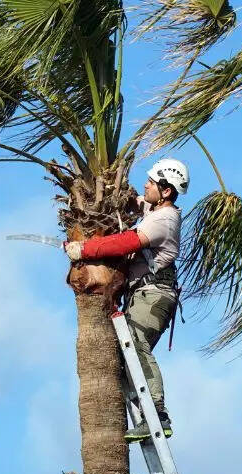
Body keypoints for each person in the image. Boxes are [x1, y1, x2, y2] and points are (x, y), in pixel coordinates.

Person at [63, 158, 189, 441]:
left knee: (137, 345)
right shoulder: (154, 208)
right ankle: (147, 412)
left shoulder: (164, 219)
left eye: (152, 182)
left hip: (154, 295)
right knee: (123, 357)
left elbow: (127, 242)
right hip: (142, 293)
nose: (146, 185)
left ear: (166, 191)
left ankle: (157, 415)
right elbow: (132, 202)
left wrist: (85, 248)